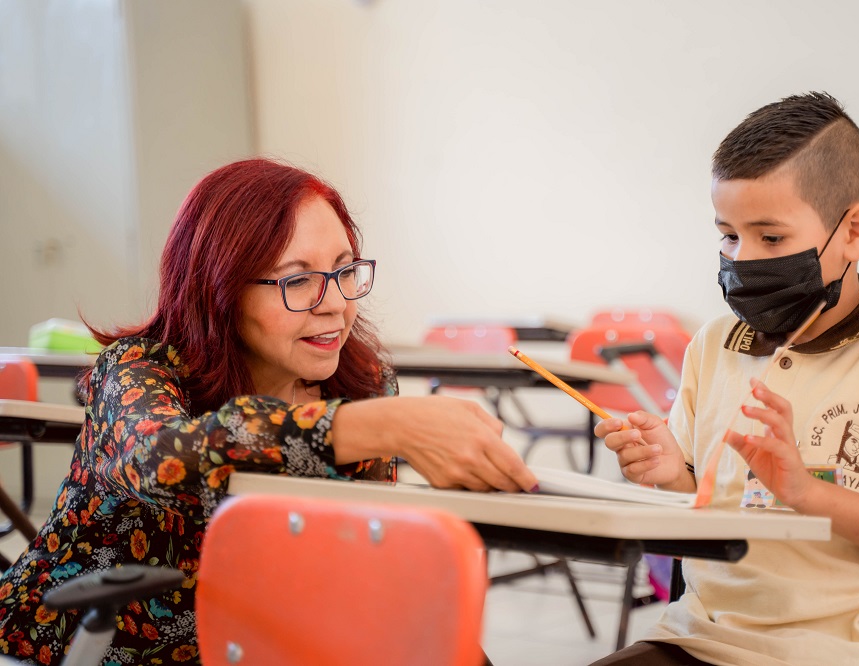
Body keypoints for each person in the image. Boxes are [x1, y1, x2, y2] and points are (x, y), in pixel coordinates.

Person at [0, 157, 537, 665]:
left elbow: (354, 564)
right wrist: (378, 427)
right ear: (221, 289)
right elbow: (159, 456)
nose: (335, 303)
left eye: (345, 270)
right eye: (297, 279)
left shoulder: (363, 384)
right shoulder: (139, 366)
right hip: (56, 648)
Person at [591, 92, 859, 665]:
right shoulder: (713, 346)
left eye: (771, 238)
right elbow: (701, 509)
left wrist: (809, 493)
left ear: (855, 232)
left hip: (850, 653)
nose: (742, 259)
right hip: (700, 637)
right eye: (729, 234)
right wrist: (671, 473)